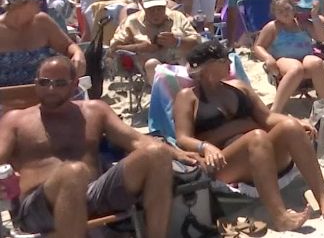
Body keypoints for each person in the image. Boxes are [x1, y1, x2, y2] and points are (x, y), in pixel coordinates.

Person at [0, 56, 190, 237]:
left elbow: (137, 140)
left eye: (59, 83)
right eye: (44, 82)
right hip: (38, 206)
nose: (50, 89)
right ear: (36, 83)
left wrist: (178, 153)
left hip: (93, 194)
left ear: (74, 85)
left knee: (157, 153)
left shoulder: (95, 111)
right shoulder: (16, 120)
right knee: (74, 172)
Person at [173, 41, 324, 230]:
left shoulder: (238, 87)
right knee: (257, 136)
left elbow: (267, 117)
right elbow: (182, 138)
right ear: (209, 65)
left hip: (262, 155)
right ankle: (280, 217)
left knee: (290, 126)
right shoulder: (188, 97)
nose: (230, 63)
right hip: (223, 163)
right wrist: (206, 146)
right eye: (224, 59)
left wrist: (296, 122)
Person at [0, 0, 86, 109]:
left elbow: (67, 46)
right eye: (37, 1)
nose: (41, 5)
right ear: (22, 4)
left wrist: (78, 54)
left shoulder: (42, 22)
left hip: (47, 95)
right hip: (6, 101)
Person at [252, 0, 324, 112]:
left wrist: (314, 16)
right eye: (280, 11)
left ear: (294, 9)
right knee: (296, 68)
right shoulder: (273, 27)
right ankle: (276, 109)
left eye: (287, 9)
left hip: (305, 59)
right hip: (283, 61)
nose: (285, 13)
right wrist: (268, 58)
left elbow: (322, 37)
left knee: (317, 62)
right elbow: (258, 46)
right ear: (274, 14)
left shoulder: (303, 24)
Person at [110, 0, 202, 84]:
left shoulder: (177, 17)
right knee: (152, 64)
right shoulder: (132, 21)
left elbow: (197, 42)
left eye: (159, 8)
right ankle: (164, 91)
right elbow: (113, 49)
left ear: (165, 5)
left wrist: (177, 41)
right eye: (151, 9)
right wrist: (140, 47)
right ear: (143, 6)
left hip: (181, 67)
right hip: (150, 69)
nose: (156, 13)